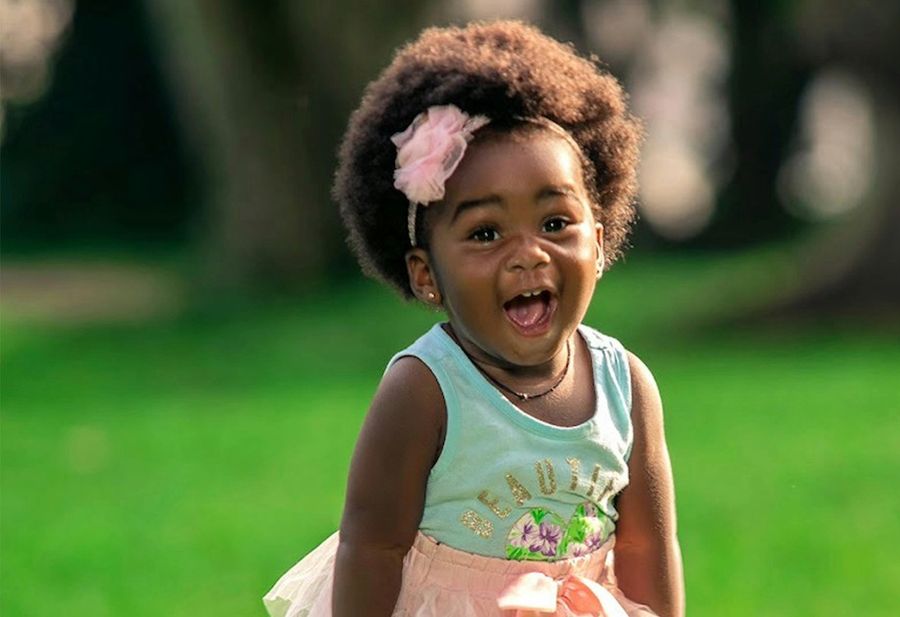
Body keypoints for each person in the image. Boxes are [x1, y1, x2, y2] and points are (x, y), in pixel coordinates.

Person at [263, 20, 684, 617]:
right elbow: (373, 546)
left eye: (555, 223)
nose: (529, 254)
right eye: (486, 233)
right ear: (426, 274)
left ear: (599, 235)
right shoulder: (425, 389)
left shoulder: (626, 384)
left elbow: (647, 542)